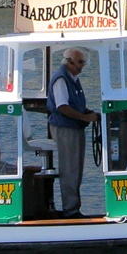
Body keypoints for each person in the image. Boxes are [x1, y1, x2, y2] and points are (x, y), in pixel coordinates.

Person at [48, 48, 98, 216]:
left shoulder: (73, 79)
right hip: (65, 128)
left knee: (76, 168)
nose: (82, 66)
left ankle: (73, 207)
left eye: (83, 62)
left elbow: (74, 104)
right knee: (69, 168)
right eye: (80, 62)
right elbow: (62, 107)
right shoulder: (61, 79)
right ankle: (70, 210)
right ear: (69, 62)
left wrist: (89, 113)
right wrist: (85, 118)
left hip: (74, 127)